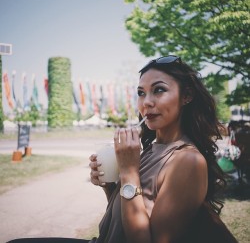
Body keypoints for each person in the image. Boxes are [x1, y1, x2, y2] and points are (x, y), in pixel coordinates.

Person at [7, 56, 238, 243]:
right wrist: (111, 187)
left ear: (186, 96)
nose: (146, 102)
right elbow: (125, 218)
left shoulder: (187, 160)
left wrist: (128, 172)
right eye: (141, 92)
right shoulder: (150, 147)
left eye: (158, 90)